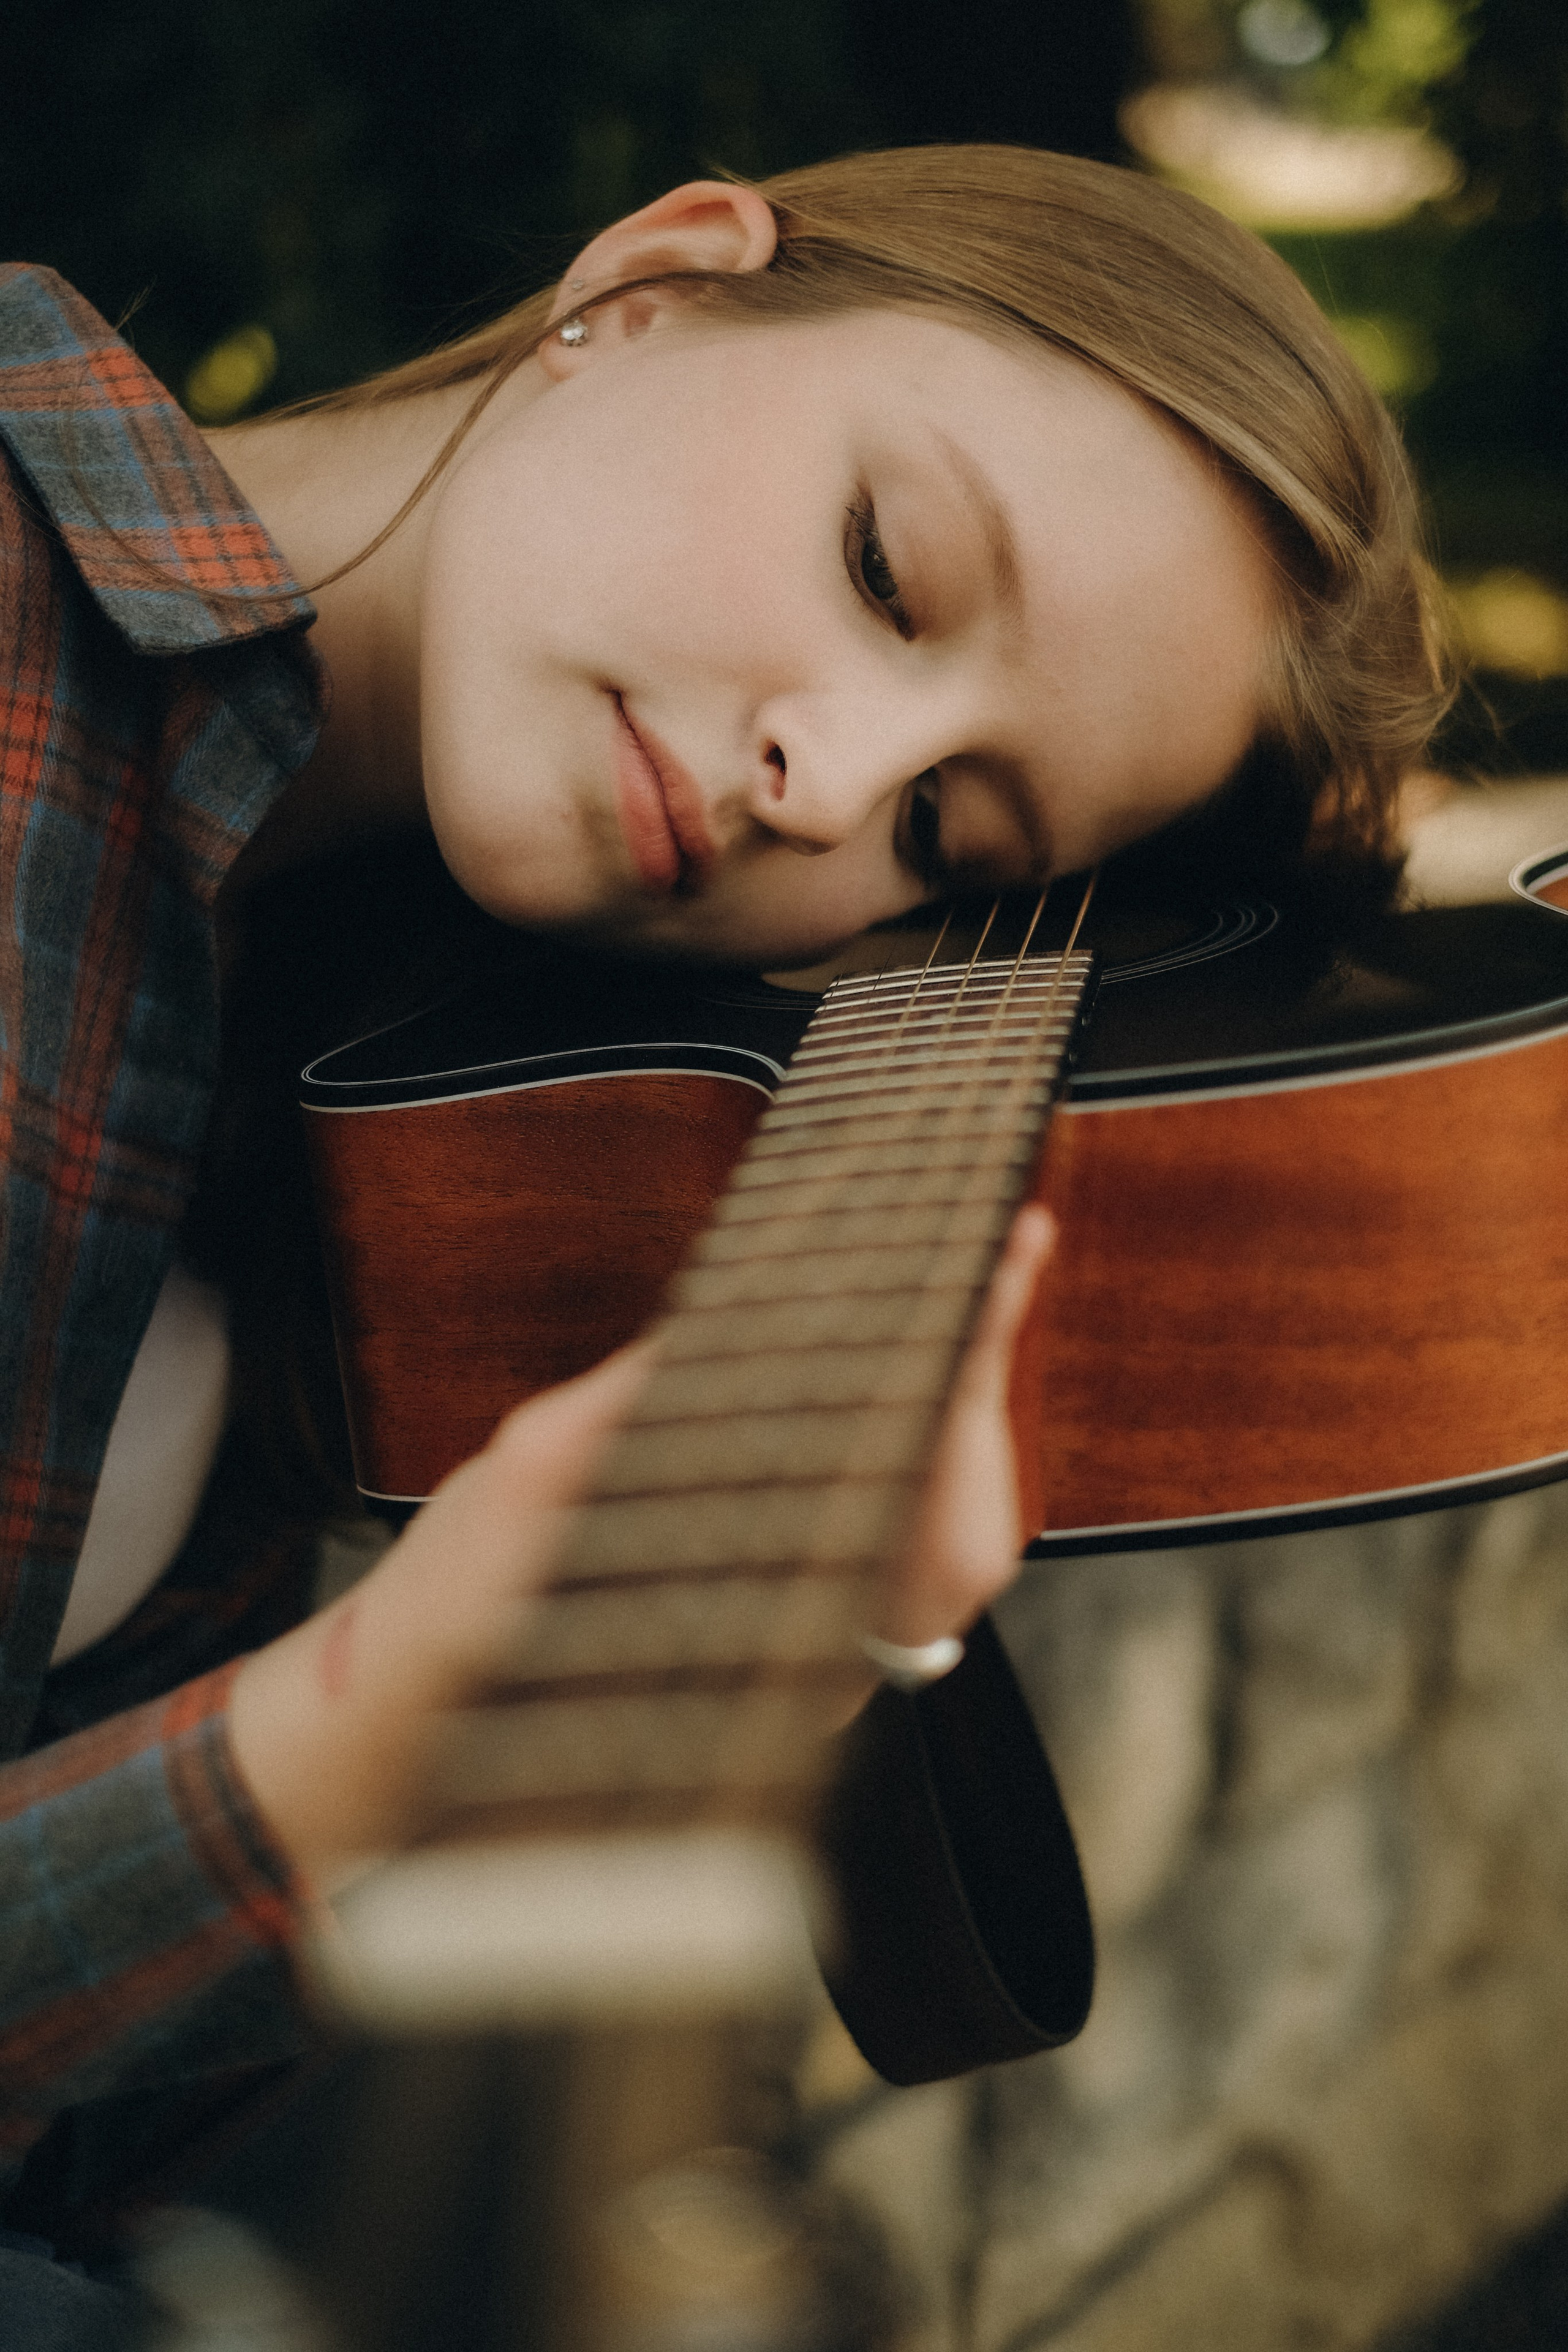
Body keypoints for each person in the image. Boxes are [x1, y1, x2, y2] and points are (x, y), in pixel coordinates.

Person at [0, 142, 1445, 2334]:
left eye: (947, 837)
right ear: (655, 282)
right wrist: (343, 1733)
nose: (822, 777)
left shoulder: (396, 1078)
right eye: (888, 566)